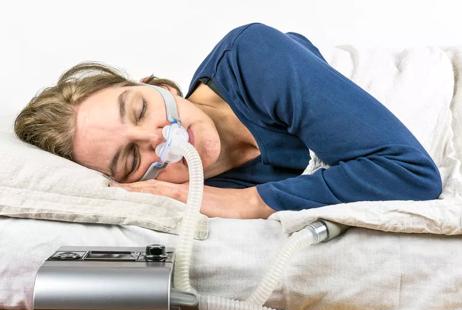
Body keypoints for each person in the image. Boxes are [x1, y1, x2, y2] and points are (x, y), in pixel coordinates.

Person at [14, 22, 442, 219]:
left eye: (141, 108)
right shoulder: (189, 194)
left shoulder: (253, 57)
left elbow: (412, 175)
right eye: (131, 157)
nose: (162, 135)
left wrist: (248, 202)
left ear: (160, 85)